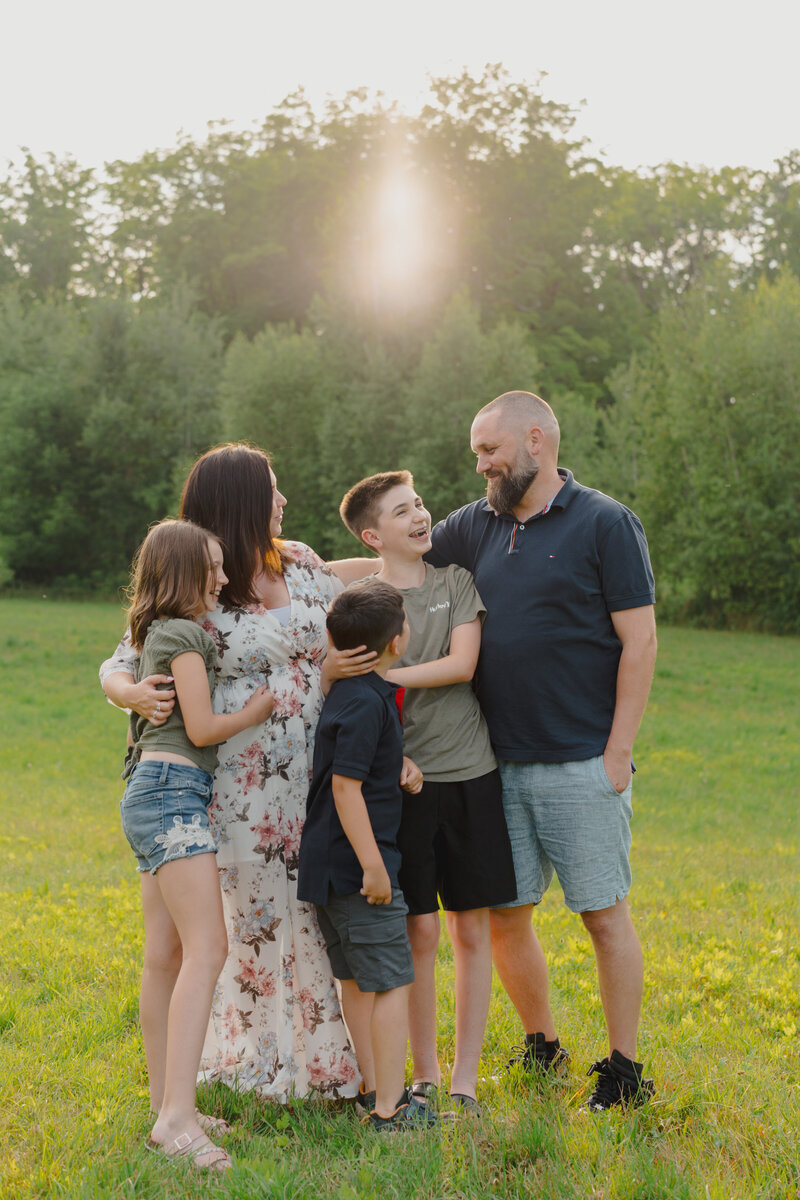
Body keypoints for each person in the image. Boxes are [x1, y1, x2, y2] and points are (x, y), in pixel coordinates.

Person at [101, 443, 377, 1102]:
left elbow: (363, 575)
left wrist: (414, 545)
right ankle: (244, 1065)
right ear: (244, 505)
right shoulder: (200, 584)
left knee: (308, 918)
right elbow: (123, 657)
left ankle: (319, 1066)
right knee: (243, 926)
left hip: (312, 778)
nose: (283, 501)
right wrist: (127, 692)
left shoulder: (303, 561)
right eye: (273, 491)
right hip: (230, 787)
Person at [426, 390, 658, 1112]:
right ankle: (544, 1047)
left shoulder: (605, 522)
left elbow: (640, 641)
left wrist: (618, 751)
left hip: (583, 760)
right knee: (507, 917)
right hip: (494, 765)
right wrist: (294, 570)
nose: (481, 465)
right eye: (476, 454)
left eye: (488, 450)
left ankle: (622, 1073)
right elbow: (395, 556)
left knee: (602, 915)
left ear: (535, 439)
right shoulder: (476, 525)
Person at [338, 471, 517, 1115]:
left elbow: (462, 665)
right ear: (371, 535)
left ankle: (466, 1081)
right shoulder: (362, 602)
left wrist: (387, 673)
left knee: (472, 930)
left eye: (418, 505)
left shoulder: (455, 583)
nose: (419, 516)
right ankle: (428, 1075)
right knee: (420, 935)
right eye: (400, 511)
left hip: (470, 773)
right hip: (403, 785)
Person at [119, 519, 274, 1170]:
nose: (224, 577)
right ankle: (177, 1121)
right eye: (212, 567)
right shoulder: (182, 634)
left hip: (153, 791)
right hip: (175, 795)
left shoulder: (157, 631)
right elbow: (205, 728)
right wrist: (256, 712)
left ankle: (167, 1105)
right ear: (184, 572)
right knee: (207, 947)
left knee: (167, 955)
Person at [297, 581, 440, 1132]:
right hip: (358, 866)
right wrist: (375, 867)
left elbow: (354, 767)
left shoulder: (352, 695)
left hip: (328, 862)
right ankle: (391, 1109)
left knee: (356, 981)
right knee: (390, 983)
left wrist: (398, 768)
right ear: (397, 643)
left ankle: (373, 1090)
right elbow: (344, 789)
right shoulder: (364, 702)